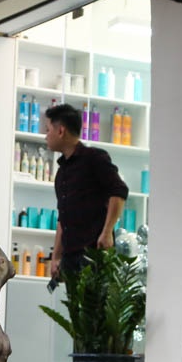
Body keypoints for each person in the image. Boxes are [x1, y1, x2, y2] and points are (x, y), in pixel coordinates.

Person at [44, 102, 128, 280]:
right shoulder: (62, 173)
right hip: (70, 257)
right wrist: (56, 256)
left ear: (61, 131)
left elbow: (119, 191)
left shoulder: (94, 159)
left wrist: (107, 232)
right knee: (74, 308)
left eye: (48, 130)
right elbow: (63, 216)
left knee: (94, 307)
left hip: (93, 254)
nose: (46, 136)